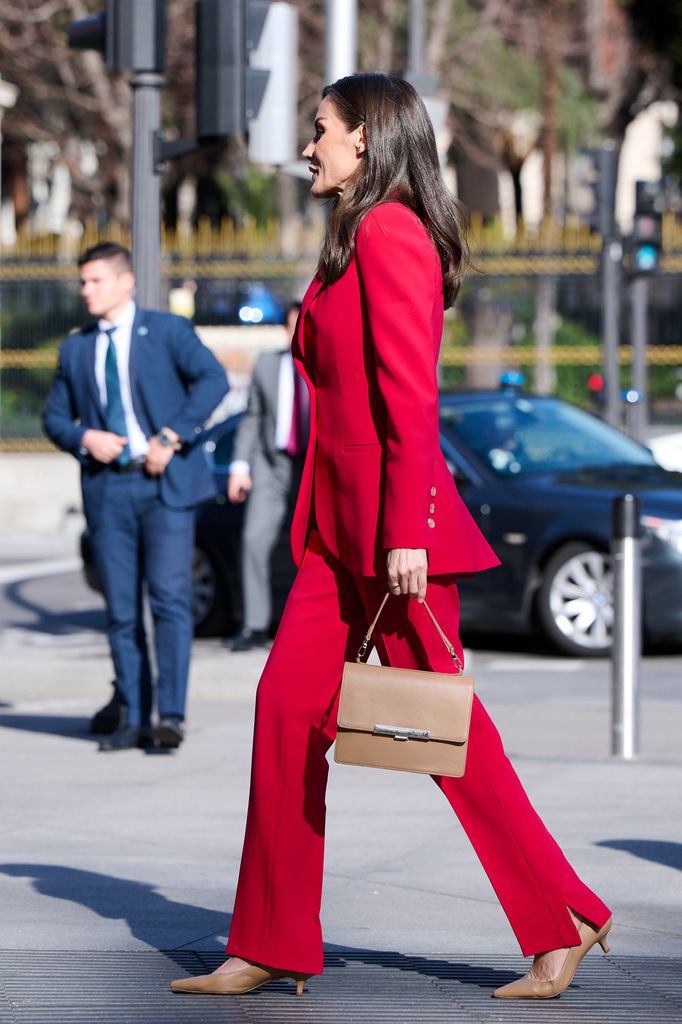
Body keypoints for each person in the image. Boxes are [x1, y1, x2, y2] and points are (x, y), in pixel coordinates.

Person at [170, 73, 612, 1000]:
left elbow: (412, 394)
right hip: (340, 539)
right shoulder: (349, 238)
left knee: (447, 741)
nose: (308, 145)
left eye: (320, 129)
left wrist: (407, 528)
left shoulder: (391, 232)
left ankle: (562, 914)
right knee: (286, 716)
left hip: (389, 539)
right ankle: (271, 940)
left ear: (366, 138)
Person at [43, 243, 229, 752]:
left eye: (95, 281)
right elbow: (54, 418)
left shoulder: (167, 331)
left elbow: (213, 380)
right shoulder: (76, 348)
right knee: (121, 610)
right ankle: (132, 714)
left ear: (126, 282)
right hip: (108, 489)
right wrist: (87, 439)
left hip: (164, 488)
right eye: (83, 282)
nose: (86, 291)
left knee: (170, 600)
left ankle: (170, 715)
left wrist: (171, 437)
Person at [226, 301, 306, 651]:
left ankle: (309, 631)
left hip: (313, 469)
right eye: (292, 326)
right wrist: (240, 467)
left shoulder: (327, 366)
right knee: (253, 540)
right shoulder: (268, 365)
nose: (297, 333)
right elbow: (252, 419)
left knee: (314, 552)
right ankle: (255, 625)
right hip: (272, 465)